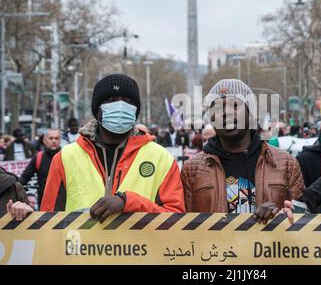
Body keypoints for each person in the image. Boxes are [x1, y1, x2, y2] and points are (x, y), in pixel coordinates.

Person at [37, 74, 184, 221]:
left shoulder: (162, 159)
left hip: (143, 245)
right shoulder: (65, 158)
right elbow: (48, 222)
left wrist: (129, 202)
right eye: (111, 100)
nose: (120, 106)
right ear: (98, 110)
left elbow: (175, 219)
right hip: (80, 244)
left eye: (127, 101)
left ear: (135, 110)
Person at [181, 79, 303, 223]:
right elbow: (183, 225)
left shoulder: (286, 164)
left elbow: (303, 216)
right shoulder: (192, 170)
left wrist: (281, 215)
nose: (226, 113)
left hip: (269, 246)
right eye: (218, 108)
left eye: (235, 105)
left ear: (250, 113)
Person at [19, 129, 62, 208]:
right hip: (44, 205)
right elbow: (24, 178)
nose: (54, 141)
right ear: (44, 140)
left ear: (60, 140)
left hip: (64, 205)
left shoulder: (66, 157)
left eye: (56, 138)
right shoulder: (38, 157)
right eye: (51, 138)